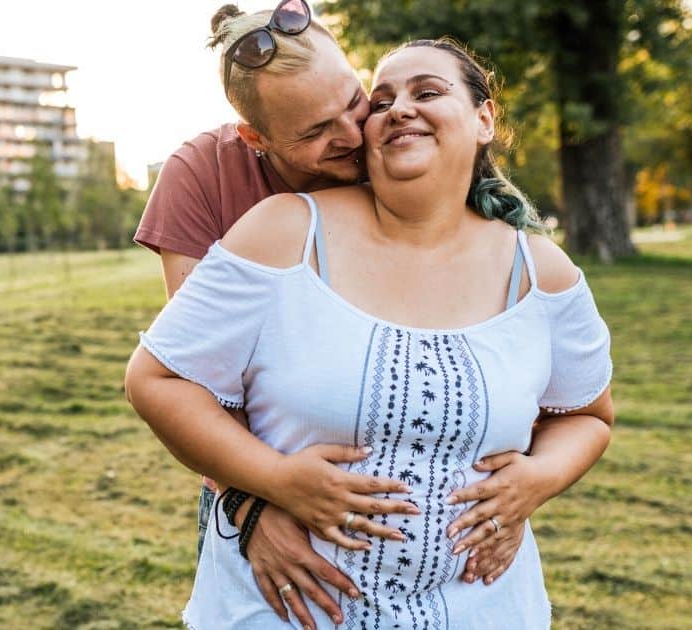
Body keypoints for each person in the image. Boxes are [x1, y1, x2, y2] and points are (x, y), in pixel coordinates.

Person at [126, 31, 616, 629]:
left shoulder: (542, 273)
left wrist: (540, 477)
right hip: (286, 610)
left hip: (484, 609)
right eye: (381, 101)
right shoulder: (279, 232)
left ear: (484, 118)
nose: (391, 112)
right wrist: (264, 492)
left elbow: (586, 415)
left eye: (427, 91)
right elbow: (165, 380)